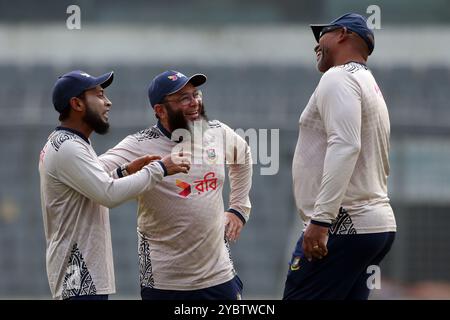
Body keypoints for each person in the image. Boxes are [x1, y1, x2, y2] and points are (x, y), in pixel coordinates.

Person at [99, 70, 252, 300]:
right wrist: (127, 171)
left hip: (219, 277)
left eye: (196, 94)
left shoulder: (216, 132)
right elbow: (94, 173)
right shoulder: (139, 144)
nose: (195, 103)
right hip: (165, 282)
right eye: (184, 98)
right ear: (160, 110)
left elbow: (243, 156)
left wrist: (239, 208)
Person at [39, 70, 190, 300]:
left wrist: (125, 170)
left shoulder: (70, 142)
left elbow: (92, 187)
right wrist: (160, 169)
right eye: (99, 95)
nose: (108, 102)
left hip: (81, 279)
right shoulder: (69, 147)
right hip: (79, 280)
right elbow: (108, 194)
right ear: (77, 103)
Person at [283, 13, 397, 300]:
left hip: (343, 224)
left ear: (343, 34)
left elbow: (345, 146)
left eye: (322, 36)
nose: (316, 46)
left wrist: (321, 221)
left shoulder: (338, 77)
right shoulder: (368, 82)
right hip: (373, 225)